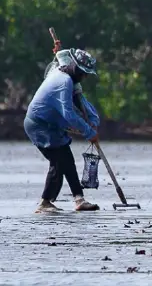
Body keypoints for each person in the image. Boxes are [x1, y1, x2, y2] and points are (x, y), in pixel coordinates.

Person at [23, 47, 102, 213]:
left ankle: (79, 199)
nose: (85, 77)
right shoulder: (63, 81)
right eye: (83, 73)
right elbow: (69, 114)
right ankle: (45, 203)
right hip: (39, 125)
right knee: (58, 161)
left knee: (67, 159)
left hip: (52, 125)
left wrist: (93, 120)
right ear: (75, 69)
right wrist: (89, 132)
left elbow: (82, 101)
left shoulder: (65, 71)